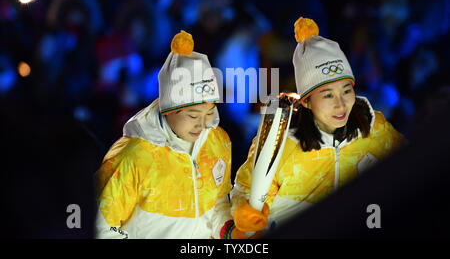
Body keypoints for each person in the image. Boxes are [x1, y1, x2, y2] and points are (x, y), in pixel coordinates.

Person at [230, 17, 406, 236]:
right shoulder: (281, 142)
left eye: (346, 90)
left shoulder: (375, 128)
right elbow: (246, 190)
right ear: (306, 101)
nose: (340, 104)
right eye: (327, 94)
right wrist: (245, 213)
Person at [95, 30, 244, 239]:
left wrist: (229, 231)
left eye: (209, 112)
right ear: (169, 109)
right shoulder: (133, 157)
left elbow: (218, 202)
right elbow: (100, 228)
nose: (203, 123)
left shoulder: (218, 142)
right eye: (193, 115)